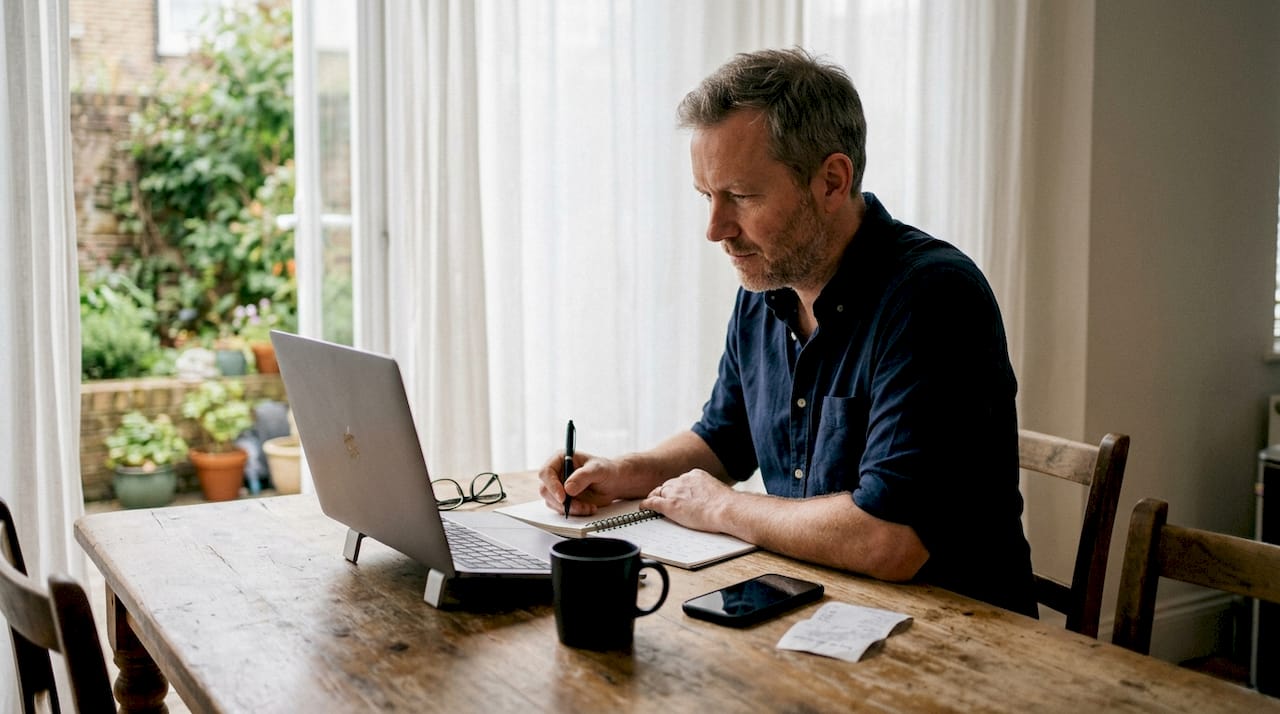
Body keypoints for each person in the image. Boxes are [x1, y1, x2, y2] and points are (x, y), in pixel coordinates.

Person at [538, 48, 1037, 617]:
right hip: (817, 605)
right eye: (707, 197)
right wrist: (626, 471)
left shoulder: (934, 297)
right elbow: (724, 440)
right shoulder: (765, 286)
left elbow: (889, 540)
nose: (715, 229)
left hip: (957, 637)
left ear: (831, 180)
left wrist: (724, 509)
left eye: (741, 197)